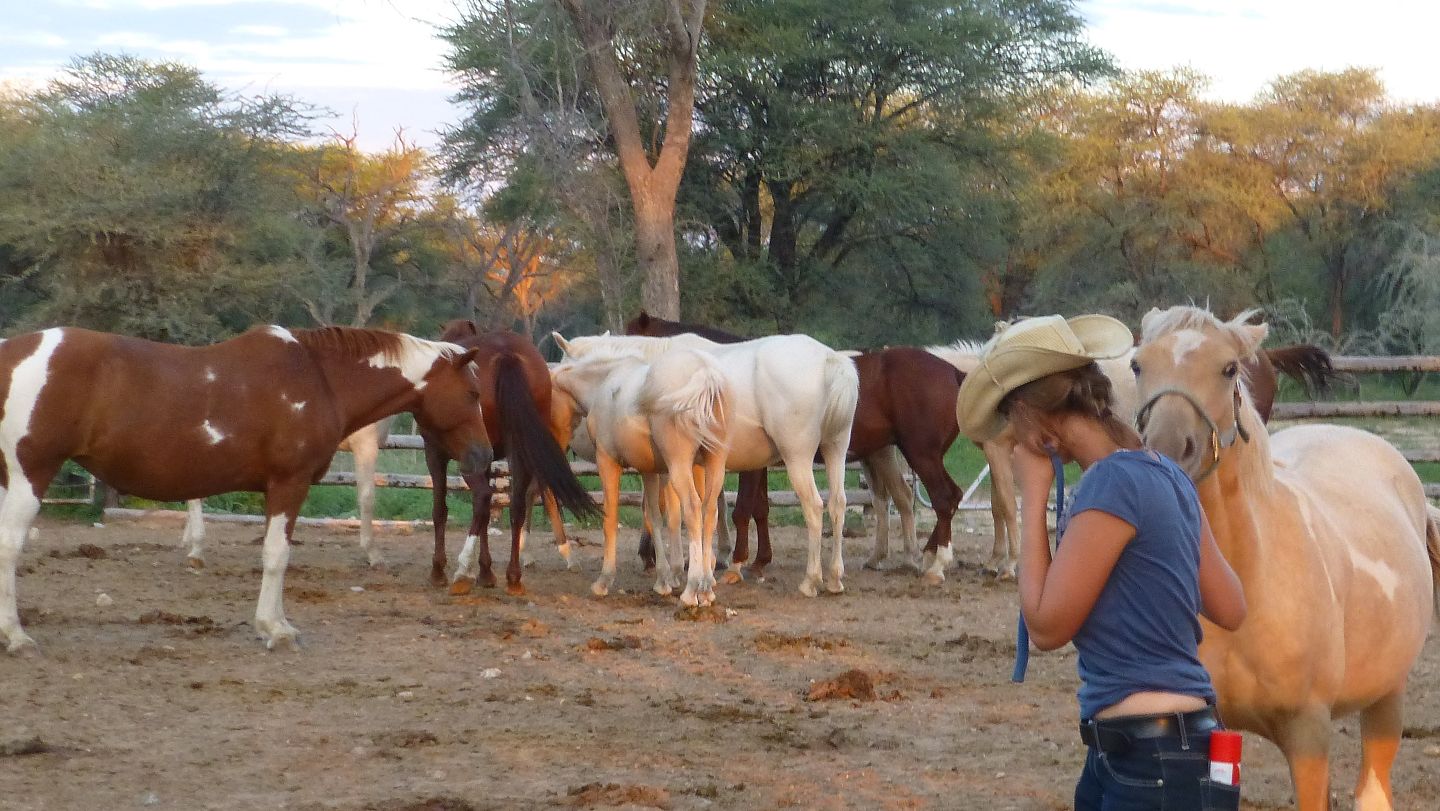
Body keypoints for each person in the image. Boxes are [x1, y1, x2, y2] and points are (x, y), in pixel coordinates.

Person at [956, 314, 1248, 811]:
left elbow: (1046, 627)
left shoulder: (1109, 485)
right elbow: (1232, 607)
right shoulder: (1167, 474)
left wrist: (1032, 498)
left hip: (1146, 760)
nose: (1009, 441)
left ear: (1033, 416)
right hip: (1180, 748)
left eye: (1011, 423)